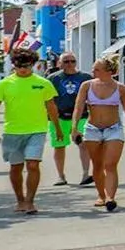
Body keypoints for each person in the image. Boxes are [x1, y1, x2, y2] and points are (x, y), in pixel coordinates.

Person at [0, 49, 60, 216]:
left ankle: (30, 201)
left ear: (33, 65)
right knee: (16, 167)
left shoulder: (43, 83)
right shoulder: (4, 84)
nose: (23, 69)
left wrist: (56, 127)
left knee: (33, 165)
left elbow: (51, 107)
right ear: (14, 65)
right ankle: (19, 199)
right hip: (13, 131)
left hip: (37, 130)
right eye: (19, 65)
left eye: (27, 65)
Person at [74, 57, 125, 212]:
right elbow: (78, 107)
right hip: (92, 129)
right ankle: (101, 196)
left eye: (96, 69)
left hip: (114, 129)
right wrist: (74, 127)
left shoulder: (121, 88)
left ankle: (110, 197)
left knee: (110, 165)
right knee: (97, 165)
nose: (92, 72)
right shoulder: (87, 86)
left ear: (108, 71)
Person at [46, 52, 92, 186]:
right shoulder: (53, 78)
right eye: (66, 61)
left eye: (73, 61)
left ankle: (85, 174)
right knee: (59, 146)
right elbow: (48, 99)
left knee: (83, 144)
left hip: (81, 116)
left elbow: (91, 98)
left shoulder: (85, 77)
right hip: (59, 117)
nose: (70, 64)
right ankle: (61, 176)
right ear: (60, 63)